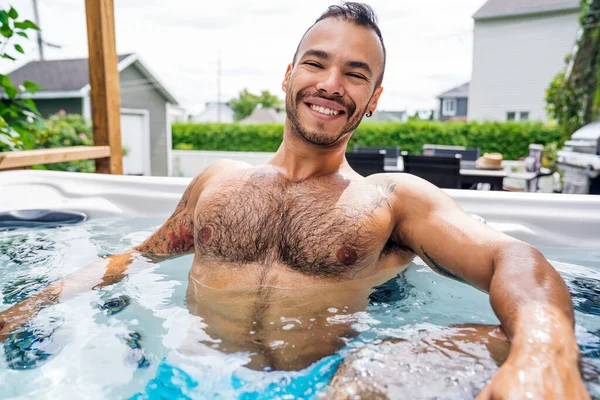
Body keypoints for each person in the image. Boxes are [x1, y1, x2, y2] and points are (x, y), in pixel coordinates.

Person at [0, 3, 589, 398]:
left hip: (327, 384)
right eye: (317, 62)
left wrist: (545, 347)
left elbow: (512, 261)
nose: (332, 83)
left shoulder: (391, 199)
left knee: (547, 354)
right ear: (288, 76)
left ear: (374, 98)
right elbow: (133, 257)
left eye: (356, 74)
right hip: (187, 380)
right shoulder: (217, 182)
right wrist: (29, 305)